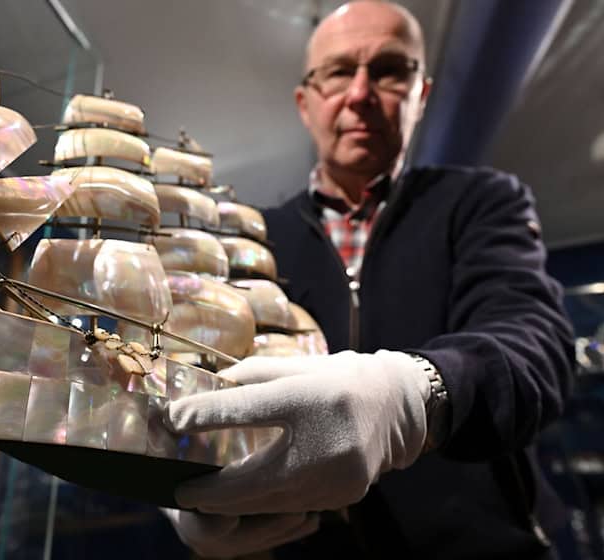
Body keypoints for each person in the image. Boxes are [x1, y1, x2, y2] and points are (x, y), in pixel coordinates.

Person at [163, 1, 575, 558]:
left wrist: (417, 393)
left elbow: (535, 344)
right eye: (338, 72)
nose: (359, 93)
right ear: (305, 103)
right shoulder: (255, 238)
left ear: (420, 96)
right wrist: (179, 484)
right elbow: (196, 365)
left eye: (387, 69)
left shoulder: (481, 202)